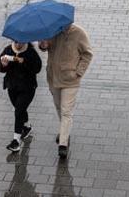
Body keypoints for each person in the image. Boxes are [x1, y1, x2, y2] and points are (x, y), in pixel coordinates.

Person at [38, 23, 93, 159]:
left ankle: (63, 143)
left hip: (70, 80)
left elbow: (87, 54)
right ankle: (65, 131)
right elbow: (44, 47)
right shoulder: (52, 30)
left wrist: (78, 72)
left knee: (66, 111)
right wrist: (43, 44)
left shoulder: (79, 33)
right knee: (59, 107)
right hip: (53, 77)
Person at [0, 40, 43, 153]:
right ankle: (26, 127)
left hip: (28, 88)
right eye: (16, 42)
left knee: (18, 111)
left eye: (21, 42)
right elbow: (0, 68)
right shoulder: (8, 50)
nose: (18, 45)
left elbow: (37, 68)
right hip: (12, 87)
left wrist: (24, 62)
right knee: (19, 108)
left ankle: (16, 141)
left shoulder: (31, 52)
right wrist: (3, 65)